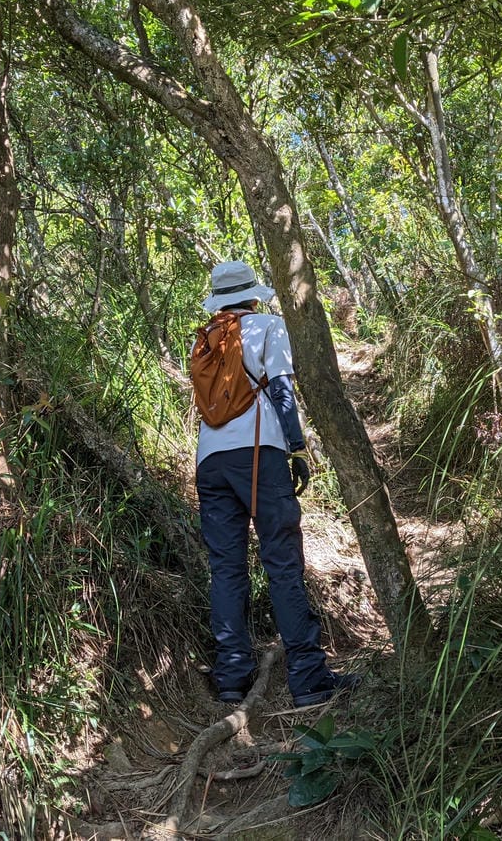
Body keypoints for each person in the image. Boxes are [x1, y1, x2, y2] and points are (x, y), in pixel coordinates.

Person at [194, 261, 359, 707]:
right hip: (258, 454)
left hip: (209, 461)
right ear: (253, 295)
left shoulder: (205, 338)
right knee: (282, 562)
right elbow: (282, 392)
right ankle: (309, 678)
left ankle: (232, 676)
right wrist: (298, 448)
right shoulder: (268, 326)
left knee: (226, 568)